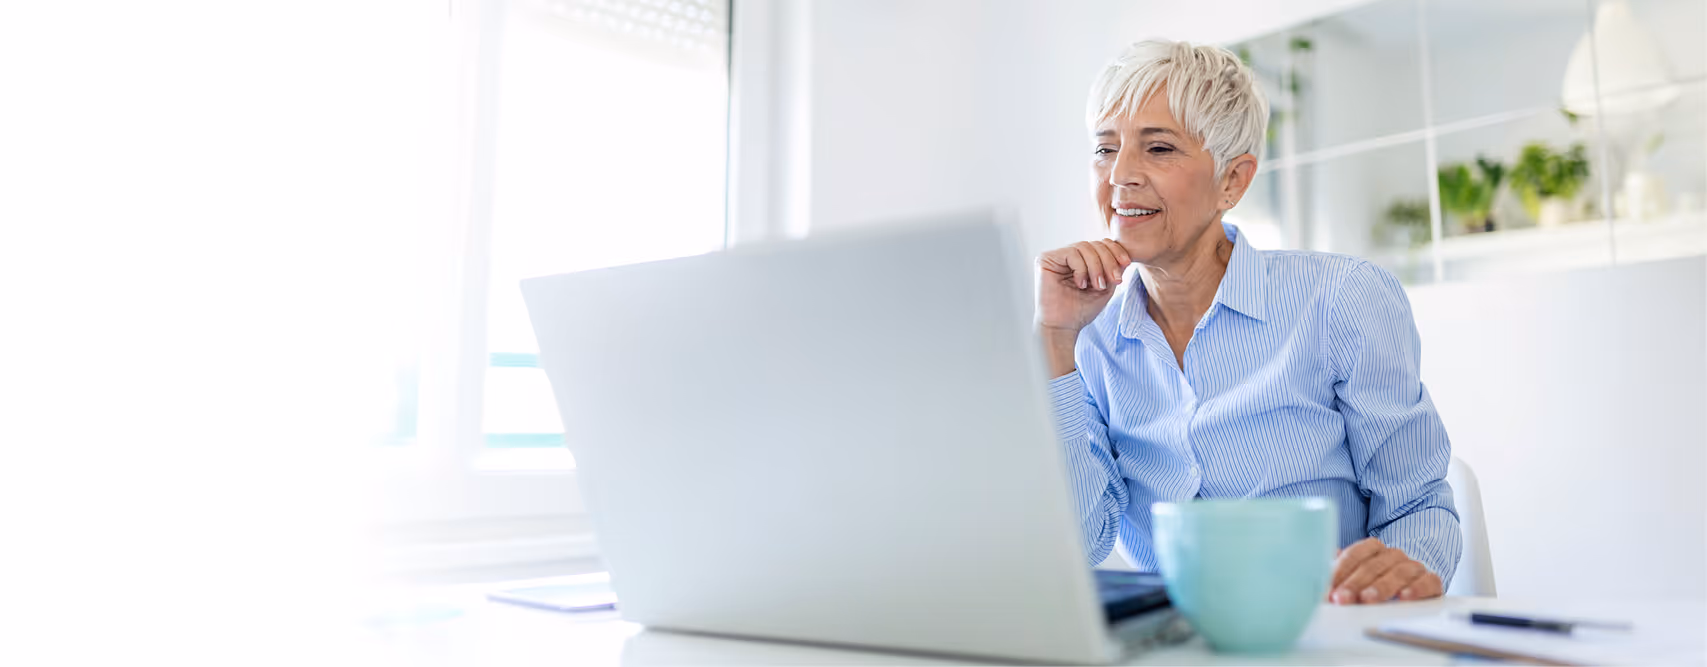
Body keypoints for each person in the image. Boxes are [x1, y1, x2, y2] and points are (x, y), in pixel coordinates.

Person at [1036, 39, 1461, 605]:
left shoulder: (1341, 300)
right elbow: (1082, 543)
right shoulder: (1091, 342)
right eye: (1104, 149)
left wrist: (1396, 578)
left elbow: (1419, 509)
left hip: (1320, 630)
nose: (1120, 176)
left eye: (1158, 148)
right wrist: (1055, 342)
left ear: (1232, 181)